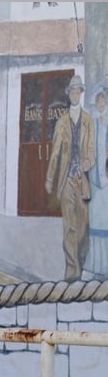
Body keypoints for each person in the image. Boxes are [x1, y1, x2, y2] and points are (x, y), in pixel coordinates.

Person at [46, 74, 95, 282]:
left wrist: (88, 163)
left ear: (81, 94)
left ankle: (80, 263)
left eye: (78, 91)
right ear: (69, 95)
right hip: (66, 180)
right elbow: (55, 152)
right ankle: (71, 272)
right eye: (72, 91)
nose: (75, 95)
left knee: (83, 228)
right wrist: (49, 178)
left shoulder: (88, 121)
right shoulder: (61, 123)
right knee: (69, 228)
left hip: (81, 180)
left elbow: (92, 150)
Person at [84, 86, 108, 280]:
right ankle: (94, 264)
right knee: (95, 220)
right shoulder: (91, 122)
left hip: (107, 181)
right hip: (94, 178)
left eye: (104, 101)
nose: (101, 104)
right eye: (99, 101)